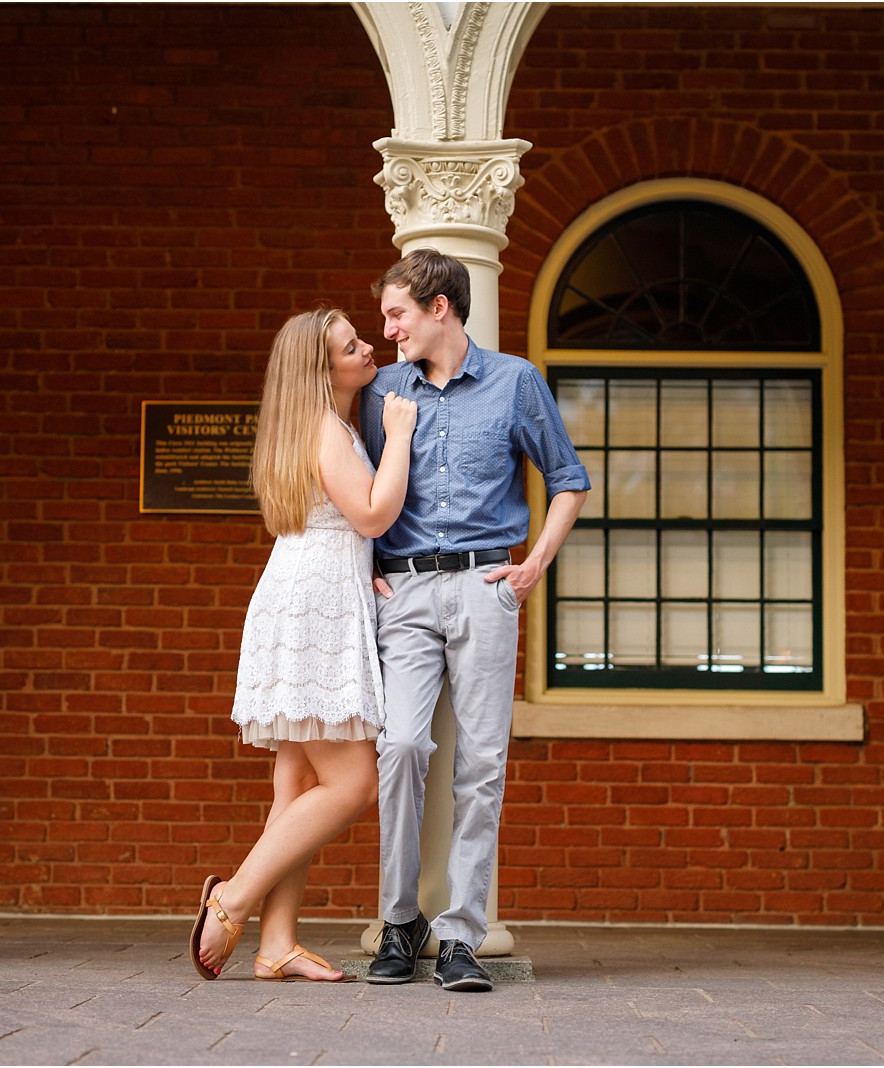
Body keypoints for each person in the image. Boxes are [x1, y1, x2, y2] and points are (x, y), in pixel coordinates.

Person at [358, 249, 590, 992]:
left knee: (481, 762)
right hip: (405, 591)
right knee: (399, 748)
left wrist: (534, 566)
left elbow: (568, 480)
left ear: (439, 308)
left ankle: (461, 935)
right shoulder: (382, 391)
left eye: (397, 313)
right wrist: (364, 568)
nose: (387, 329)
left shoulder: (515, 381)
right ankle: (401, 922)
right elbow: (351, 488)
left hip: (488, 585)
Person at [192, 306, 417, 983]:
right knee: (352, 784)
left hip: (311, 592)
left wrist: (371, 570)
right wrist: (401, 435)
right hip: (314, 605)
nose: (367, 348)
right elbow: (373, 511)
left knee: (297, 779)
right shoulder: (326, 428)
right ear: (322, 372)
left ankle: (276, 944)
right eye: (352, 347)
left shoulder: (326, 426)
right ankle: (231, 900)